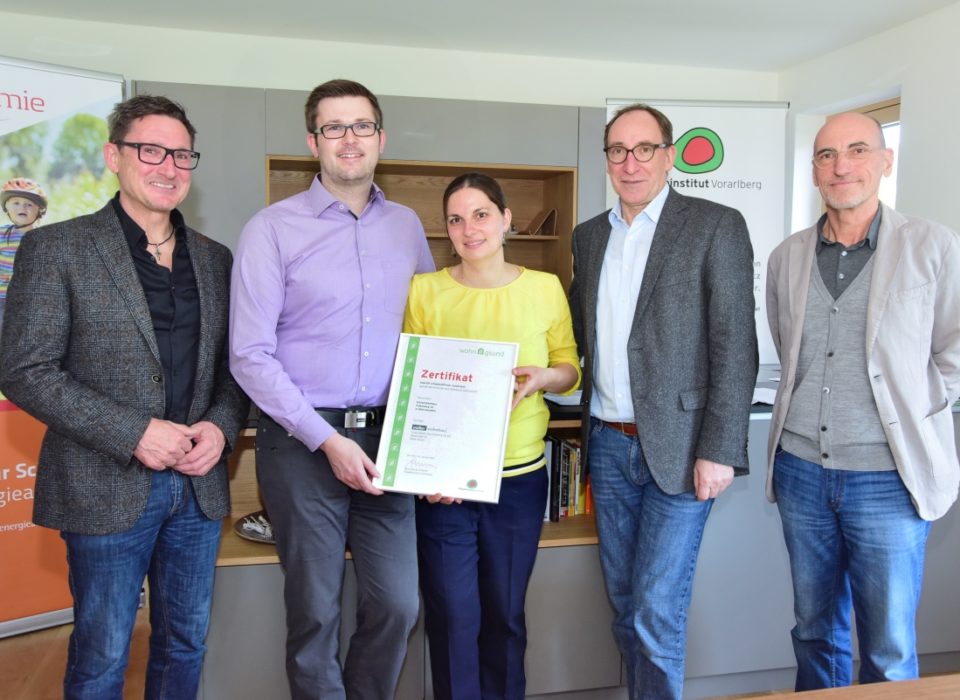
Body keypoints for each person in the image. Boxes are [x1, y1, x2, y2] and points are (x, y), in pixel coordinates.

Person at [0, 95, 249, 699]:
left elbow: (235, 371)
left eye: (182, 154)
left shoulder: (218, 261)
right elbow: (24, 369)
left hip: (198, 484)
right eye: (150, 150)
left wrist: (218, 428)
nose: (169, 166)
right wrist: (133, 432)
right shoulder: (56, 247)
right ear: (115, 156)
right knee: (102, 655)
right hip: (103, 484)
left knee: (185, 643)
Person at [229, 78, 434, 699]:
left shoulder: (407, 226)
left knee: (399, 604)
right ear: (313, 141)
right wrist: (327, 440)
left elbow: (426, 336)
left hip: (385, 437)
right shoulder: (271, 229)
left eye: (361, 126)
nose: (350, 139)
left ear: (381, 138)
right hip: (300, 438)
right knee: (315, 609)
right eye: (334, 128)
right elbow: (249, 355)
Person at [567, 103, 758, 699]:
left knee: (655, 609)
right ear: (606, 160)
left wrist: (720, 448)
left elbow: (735, 343)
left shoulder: (715, 224)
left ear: (669, 155)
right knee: (625, 606)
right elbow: (578, 335)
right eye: (618, 151)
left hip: (682, 449)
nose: (630, 163)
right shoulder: (589, 236)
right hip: (608, 443)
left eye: (643, 148)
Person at [765, 112, 960, 690]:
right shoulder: (788, 257)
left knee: (888, 644)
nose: (841, 166)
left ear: (885, 160)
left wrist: (917, 413)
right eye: (826, 155)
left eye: (856, 151)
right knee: (814, 630)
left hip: (889, 478)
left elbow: (952, 350)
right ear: (814, 171)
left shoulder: (932, 245)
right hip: (802, 472)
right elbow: (788, 343)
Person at [405, 172, 580, 700]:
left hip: (519, 481)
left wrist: (544, 379)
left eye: (480, 214)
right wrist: (429, 470)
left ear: (506, 219)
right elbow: (414, 388)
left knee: (504, 616)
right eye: (455, 219)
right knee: (453, 618)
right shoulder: (425, 291)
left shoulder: (544, 288)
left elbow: (569, 367)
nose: (468, 228)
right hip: (447, 490)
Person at [0, 177, 47, 335]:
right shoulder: (1, 235)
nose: (23, 208)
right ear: (6, 206)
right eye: (16, 203)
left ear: (39, 211)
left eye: (29, 204)